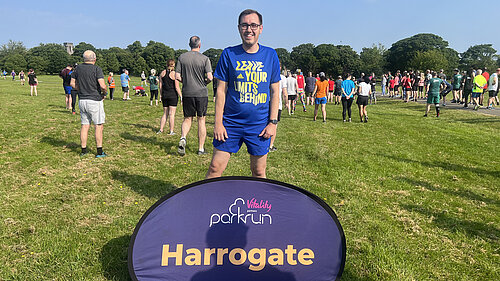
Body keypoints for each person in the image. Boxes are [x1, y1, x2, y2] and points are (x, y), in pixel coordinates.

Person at [206, 9, 280, 178]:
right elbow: (221, 91)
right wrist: (218, 123)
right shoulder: (228, 54)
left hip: (259, 125)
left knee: (259, 171)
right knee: (215, 168)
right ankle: (206, 203)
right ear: (239, 28)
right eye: (245, 25)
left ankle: (259, 204)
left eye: (253, 25)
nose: (249, 29)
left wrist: (273, 123)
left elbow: (275, 92)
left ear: (261, 28)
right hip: (231, 123)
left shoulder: (270, 55)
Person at [176, 35, 213, 156]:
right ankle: (201, 149)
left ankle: (183, 137)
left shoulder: (182, 58)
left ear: (189, 44)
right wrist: (204, 82)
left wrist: (185, 81)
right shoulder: (205, 59)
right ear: (200, 45)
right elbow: (210, 77)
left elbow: (177, 76)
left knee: (187, 118)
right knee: (201, 120)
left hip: (187, 92)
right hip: (201, 93)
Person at [70, 50, 108, 158]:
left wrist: (80, 89)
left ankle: (83, 150)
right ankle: (99, 152)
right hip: (95, 100)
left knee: (85, 125)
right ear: (94, 59)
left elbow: (72, 83)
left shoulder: (77, 69)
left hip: (82, 100)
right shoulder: (97, 69)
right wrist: (104, 93)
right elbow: (103, 85)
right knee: (98, 126)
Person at [158, 59, 182, 135]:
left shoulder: (162, 73)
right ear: (173, 65)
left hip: (165, 95)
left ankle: (161, 129)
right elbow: (177, 87)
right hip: (173, 96)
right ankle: (171, 131)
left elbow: (160, 86)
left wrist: (161, 95)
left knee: (165, 114)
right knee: (172, 114)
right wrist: (181, 96)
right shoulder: (174, 74)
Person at [269, 65, 287, 152]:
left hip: (266, 103)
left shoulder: (267, 74)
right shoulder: (282, 78)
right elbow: (284, 92)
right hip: (276, 104)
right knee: (274, 125)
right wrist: (286, 102)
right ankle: (270, 145)